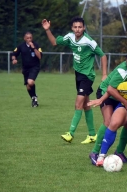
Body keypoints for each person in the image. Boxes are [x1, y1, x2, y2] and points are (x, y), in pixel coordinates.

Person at [42, 16, 107, 144]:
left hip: (87, 76)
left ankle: (70, 134)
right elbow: (55, 42)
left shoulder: (89, 41)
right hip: (78, 75)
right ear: (72, 28)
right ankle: (92, 135)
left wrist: (104, 74)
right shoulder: (70, 37)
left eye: (80, 27)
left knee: (78, 104)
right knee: (85, 105)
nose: (77, 29)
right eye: (75, 27)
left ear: (84, 28)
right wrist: (47, 30)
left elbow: (103, 55)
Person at [87, 49, 127, 165]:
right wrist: (125, 102)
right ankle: (94, 152)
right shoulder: (122, 70)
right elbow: (110, 89)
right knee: (108, 121)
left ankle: (119, 152)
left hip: (121, 95)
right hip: (106, 93)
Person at [11, 31, 43, 107]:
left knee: (30, 82)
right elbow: (14, 54)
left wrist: (34, 48)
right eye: (27, 38)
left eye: (30, 38)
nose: (29, 39)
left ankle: (34, 98)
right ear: (24, 38)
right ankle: (34, 98)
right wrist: (14, 59)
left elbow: (40, 56)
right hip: (25, 68)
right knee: (28, 86)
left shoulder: (36, 45)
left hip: (35, 67)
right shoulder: (21, 46)